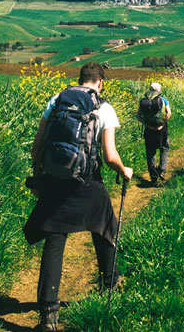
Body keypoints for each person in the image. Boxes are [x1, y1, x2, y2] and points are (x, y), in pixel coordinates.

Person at [23, 62, 133, 332]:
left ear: (79, 79)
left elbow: (37, 147)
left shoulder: (57, 100)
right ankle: (111, 283)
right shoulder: (104, 107)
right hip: (87, 181)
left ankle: (48, 315)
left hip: (55, 180)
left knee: (54, 238)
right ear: (100, 82)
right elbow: (109, 156)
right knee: (105, 226)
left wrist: (38, 180)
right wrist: (124, 170)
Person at [136, 82, 172, 186]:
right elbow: (169, 113)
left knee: (150, 152)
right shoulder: (163, 100)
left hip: (149, 129)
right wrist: (163, 124)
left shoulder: (144, 101)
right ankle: (161, 170)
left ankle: (153, 177)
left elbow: (138, 116)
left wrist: (147, 125)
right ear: (159, 90)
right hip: (161, 129)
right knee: (164, 148)